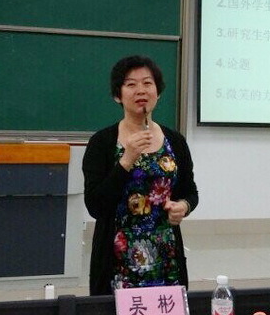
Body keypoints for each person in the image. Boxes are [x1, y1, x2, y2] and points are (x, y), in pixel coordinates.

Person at [82, 55, 199, 296]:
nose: (141, 90)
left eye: (147, 83)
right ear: (118, 95)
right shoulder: (102, 143)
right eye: (131, 84)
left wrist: (183, 206)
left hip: (166, 255)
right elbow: (95, 205)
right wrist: (126, 160)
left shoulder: (175, 141)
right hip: (118, 258)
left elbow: (190, 192)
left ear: (158, 92)